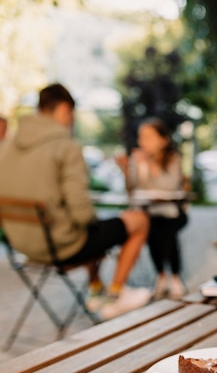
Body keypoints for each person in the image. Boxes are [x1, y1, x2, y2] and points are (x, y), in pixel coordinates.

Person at [0, 83, 151, 320]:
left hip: (23, 246)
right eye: (71, 114)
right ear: (62, 109)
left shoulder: (5, 148)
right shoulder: (66, 147)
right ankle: (115, 296)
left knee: (94, 228)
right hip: (61, 246)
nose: (71, 121)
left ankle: (94, 291)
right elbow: (82, 214)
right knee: (138, 220)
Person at [117, 117, 188, 299]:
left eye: (148, 137)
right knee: (151, 230)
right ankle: (162, 275)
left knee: (167, 230)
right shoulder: (137, 159)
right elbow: (132, 189)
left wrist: (149, 164)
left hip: (173, 211)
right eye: (141, 137)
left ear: (163, 140)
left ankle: (175, 276)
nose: (143, 141)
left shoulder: (173, 158)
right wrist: (126, 171)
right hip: (149, 211)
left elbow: (170, 186)